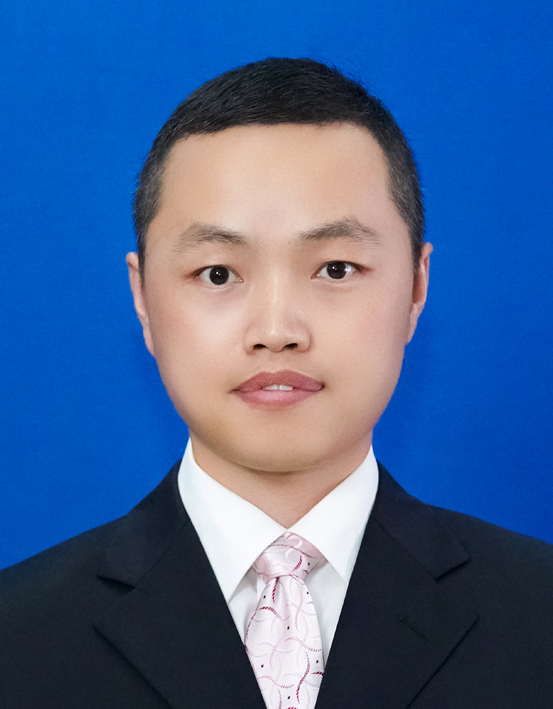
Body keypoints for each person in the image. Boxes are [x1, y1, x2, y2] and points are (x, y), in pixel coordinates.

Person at [1, 57, 552, 709]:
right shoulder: (17, 636)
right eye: (217, 274)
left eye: (336, 268)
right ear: (143, 299)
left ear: (416, 288)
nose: (276, 330)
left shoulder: (536, 615)